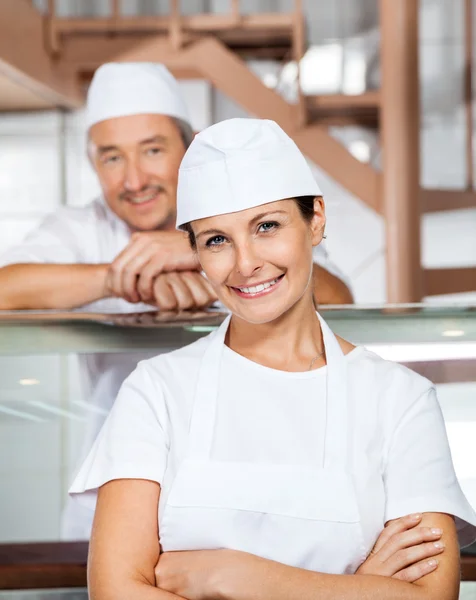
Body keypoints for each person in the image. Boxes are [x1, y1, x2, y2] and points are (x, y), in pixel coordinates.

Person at [70, 118, 476, 599]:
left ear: (316, 220)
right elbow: (115, 593)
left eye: (267, 227)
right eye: (217, 240)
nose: (245, 263)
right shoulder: (156, 390)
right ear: (196, 253)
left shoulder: (400, 400)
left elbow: (433, 597)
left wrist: (232, 576)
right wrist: (358, 589)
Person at [0, 63, 352, 540]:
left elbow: (339, 299)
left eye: (152, 150)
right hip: (113, 500)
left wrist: (201, 263)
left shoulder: (242, 209)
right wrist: (121, 276)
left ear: (188, 149)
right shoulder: (84, 228)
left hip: (247, 494)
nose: (134, 179)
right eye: (111, 158)